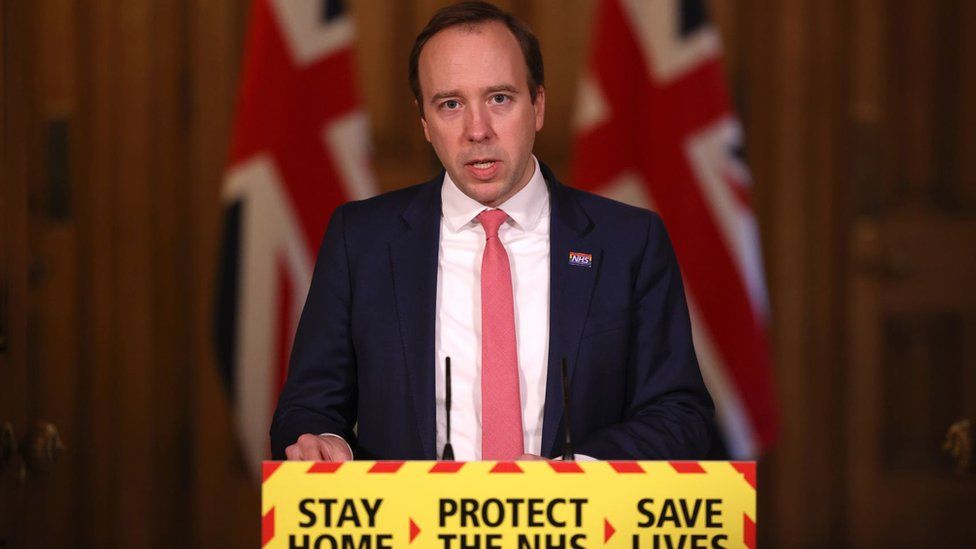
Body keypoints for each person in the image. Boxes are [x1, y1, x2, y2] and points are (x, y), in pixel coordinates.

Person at [270, 1, 714, 462]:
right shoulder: (360, 241)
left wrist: (572, 474)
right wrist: (325, 443)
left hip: (574, 528)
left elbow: (680, 415)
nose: (477, 130)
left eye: (500, 98)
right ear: (424, 122)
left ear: (538, 105)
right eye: (450, 104)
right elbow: (306, 409)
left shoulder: (628, 242)